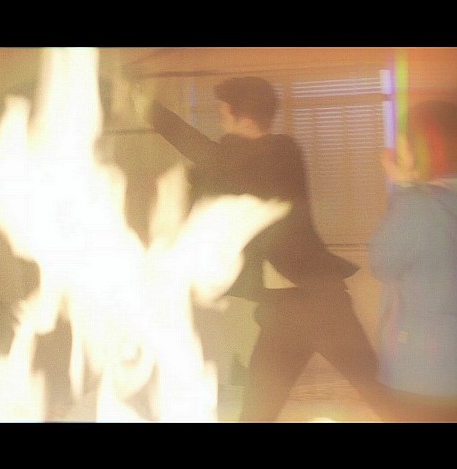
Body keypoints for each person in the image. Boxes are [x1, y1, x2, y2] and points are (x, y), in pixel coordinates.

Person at [130, 76, 390, 421]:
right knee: (256, 413)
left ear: (242, 115)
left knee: (379, 394)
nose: (221, 118)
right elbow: (212, 170)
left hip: (322, 303)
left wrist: (152, 112)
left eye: (224, 111)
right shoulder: (237, 163)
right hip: (284, 310)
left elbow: (217, 158)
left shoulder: (281, 152)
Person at [368, 100, 457, 422]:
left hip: (423, 370)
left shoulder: (418, 208)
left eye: (402, 145)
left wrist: (403, 190)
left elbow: (382, 263)